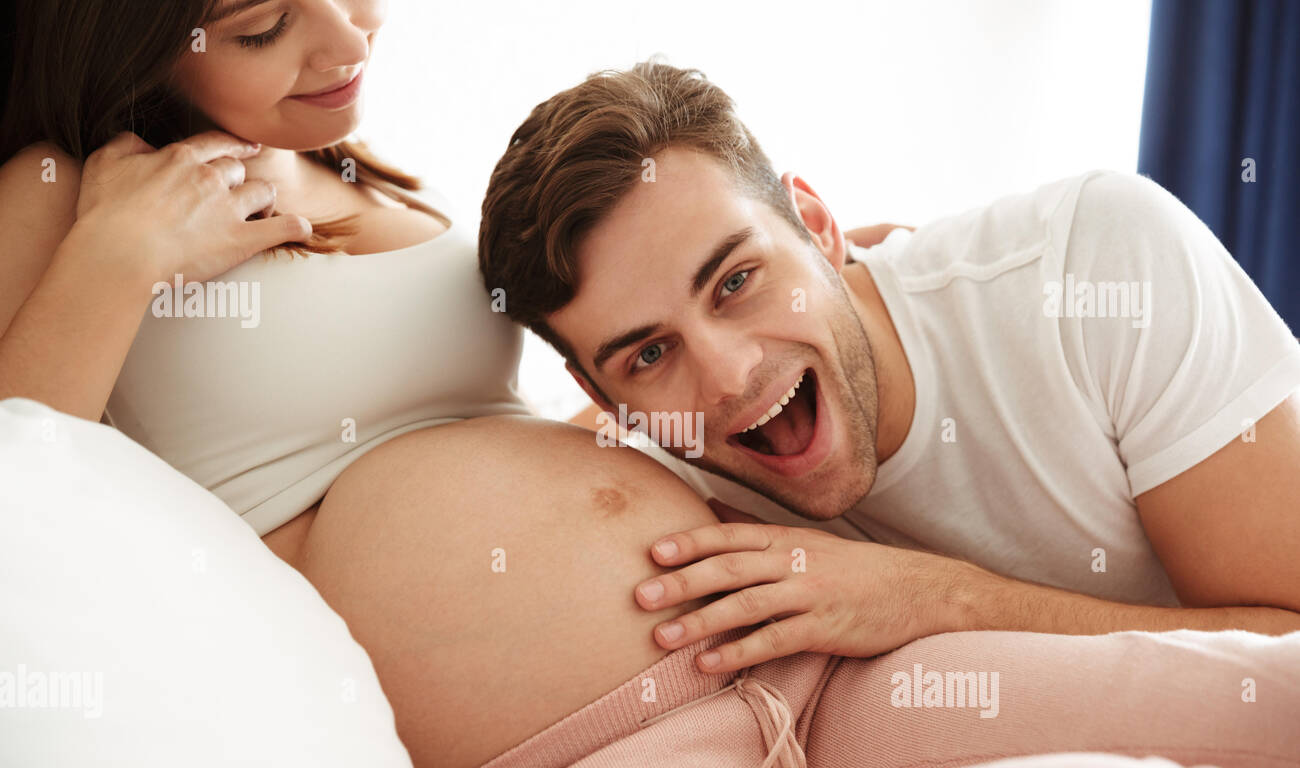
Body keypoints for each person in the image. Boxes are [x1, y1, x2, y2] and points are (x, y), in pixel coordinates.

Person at [2, 5, 1296, 768]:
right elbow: (25, 492)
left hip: (801, 671)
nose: (338, 35)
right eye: (261, 24)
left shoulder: (349, 160)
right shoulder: (66, 192)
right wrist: (121, 256)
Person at [477, 60, 1300, 676]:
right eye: (650, 354)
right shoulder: (648, 472)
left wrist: (948, 601)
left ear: (816, 225)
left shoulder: (1095, 266)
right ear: (603, 397)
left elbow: (1290, 641)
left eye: (735, 281)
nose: (727, 378)